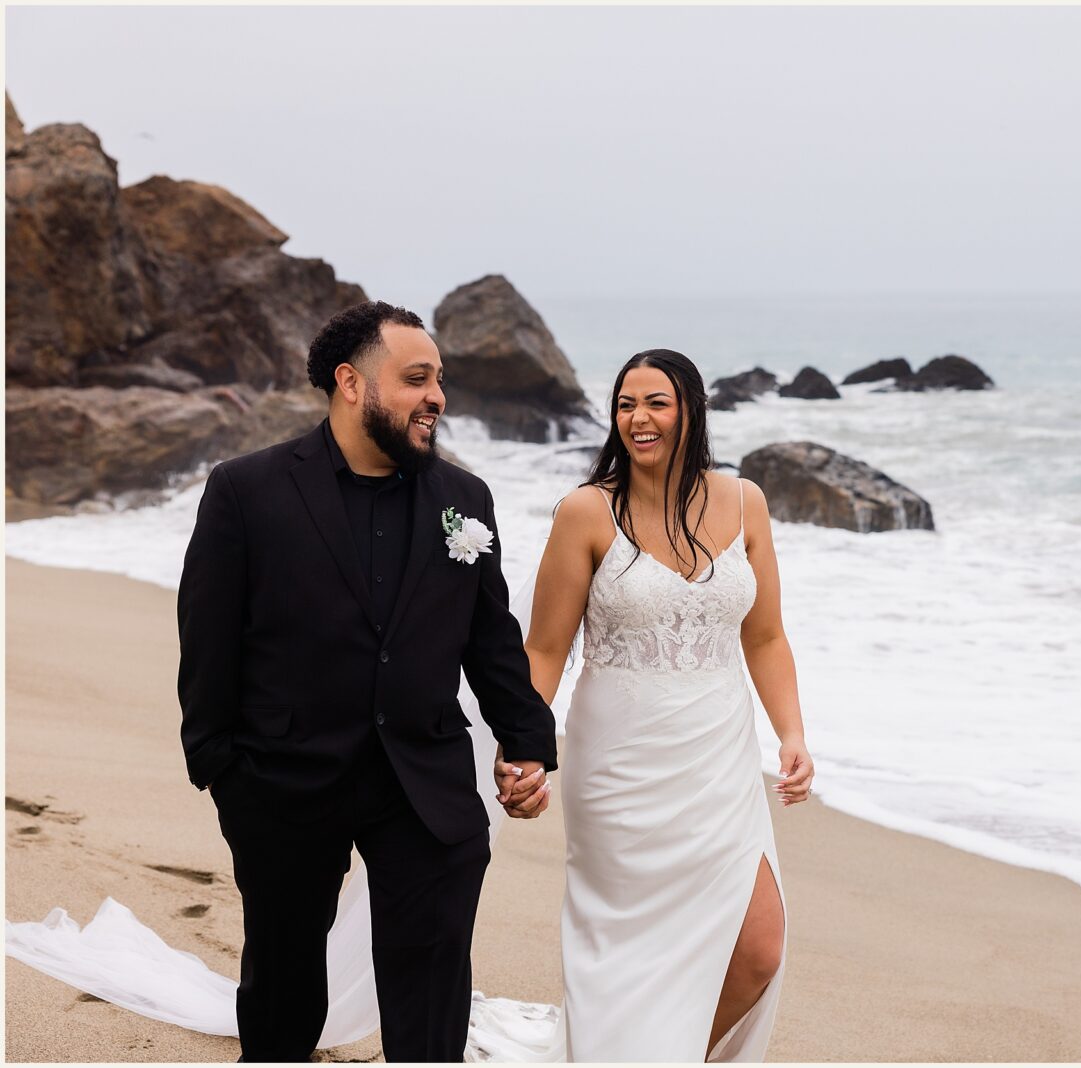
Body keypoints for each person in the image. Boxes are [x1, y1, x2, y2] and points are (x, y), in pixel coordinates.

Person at [176, 300, 559, 1062]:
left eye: (439, 381)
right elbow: (208, 640)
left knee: (430, 992)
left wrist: (528, 744)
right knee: (282, 992)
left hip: (425, 782)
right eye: (416, 379)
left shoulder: (465, 501)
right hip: (284, 781)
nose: (437, 398)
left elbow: (491, 643)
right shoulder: (246, 491)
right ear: (352, 384)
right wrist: (221, 770)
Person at [495, 347, 816, 1061]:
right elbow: (545, 649)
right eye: (625, 404)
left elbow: (764, 636)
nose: (638, 418)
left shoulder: (745, 502)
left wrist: (791, 733)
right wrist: (522, 747)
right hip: (620, 767)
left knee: (759, 947)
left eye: (657, 403)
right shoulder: (586, 512)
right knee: (629, 953)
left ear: (691, 411)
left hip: (720, 761)